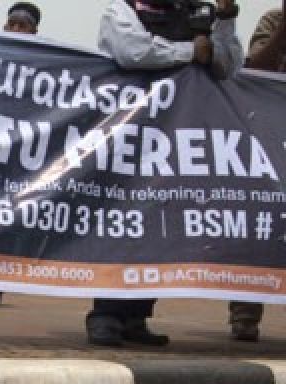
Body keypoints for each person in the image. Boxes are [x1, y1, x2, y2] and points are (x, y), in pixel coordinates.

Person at [87, 0, 243, 347]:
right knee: (122, 223)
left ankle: (136, 316)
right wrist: (191, 50)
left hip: (175, 140)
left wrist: (226, 20)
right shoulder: (123, 10)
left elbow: (228, 64)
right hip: (130, 136)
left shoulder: (195, 13)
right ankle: (106, 315)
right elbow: (132, 52)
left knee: (159, 226)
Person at [0, 1, 43, 308]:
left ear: (35, 31)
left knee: (9, 215)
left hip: (24, 154)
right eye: (12, 25)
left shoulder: (47, 65)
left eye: (24, 26)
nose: (17, 30)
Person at [230, 3, 286, 342]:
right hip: (269, 135)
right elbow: (254, 69)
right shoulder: (273, 21)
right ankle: (245, 313)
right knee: (260, 220)